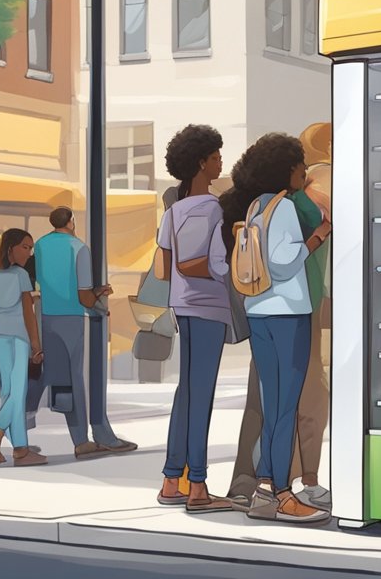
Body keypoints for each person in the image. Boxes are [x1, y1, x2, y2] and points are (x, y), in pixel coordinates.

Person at [219, 134, 333, 524]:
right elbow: (284, 262)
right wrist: (317, 238)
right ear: (287, 170)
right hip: (288, 313)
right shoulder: (283, 208)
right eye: (300, 165)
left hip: (259, 310)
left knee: (272, 405)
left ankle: (265, 491)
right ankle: (283, 495)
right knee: (285, 407)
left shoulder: (255, 206)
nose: (304, 171)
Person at [156, 124, 233, 514]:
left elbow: (165, 267)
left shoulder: (174, 212)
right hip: (208, 307)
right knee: (200, 394)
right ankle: (198, 486)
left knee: (186, 392)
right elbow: (203, 262)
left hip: (182, 305)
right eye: (217, 156)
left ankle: (173, 479)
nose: (221, 161)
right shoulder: (213, 209)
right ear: (202, 162)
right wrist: (231, 268)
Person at [33, 206, 138, 458]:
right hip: (73, 318)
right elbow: (84, 296)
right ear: (71, 222)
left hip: (47, 316)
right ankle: (82, 439)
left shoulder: (40, 245)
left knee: (59, 378)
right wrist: (99, 295)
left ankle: (71, 437)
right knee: (77, 379)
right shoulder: (79, 248)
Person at [291, 122, 333, 509]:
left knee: (296, 390)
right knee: (315, 392)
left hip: (298, 301)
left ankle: (280, 479)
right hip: (319, 299)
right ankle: (309, 480)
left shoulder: (288, 195)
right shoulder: (322, 183)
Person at [0, 229, 46, 467]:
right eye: (25, 247)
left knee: (9, 392)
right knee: (17, 392)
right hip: (19, 338)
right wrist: (36, 345)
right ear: (10, 248)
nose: (29, 253)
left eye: (30, 248)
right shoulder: (21, 275)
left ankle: (20, 448)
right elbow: (28, 313)